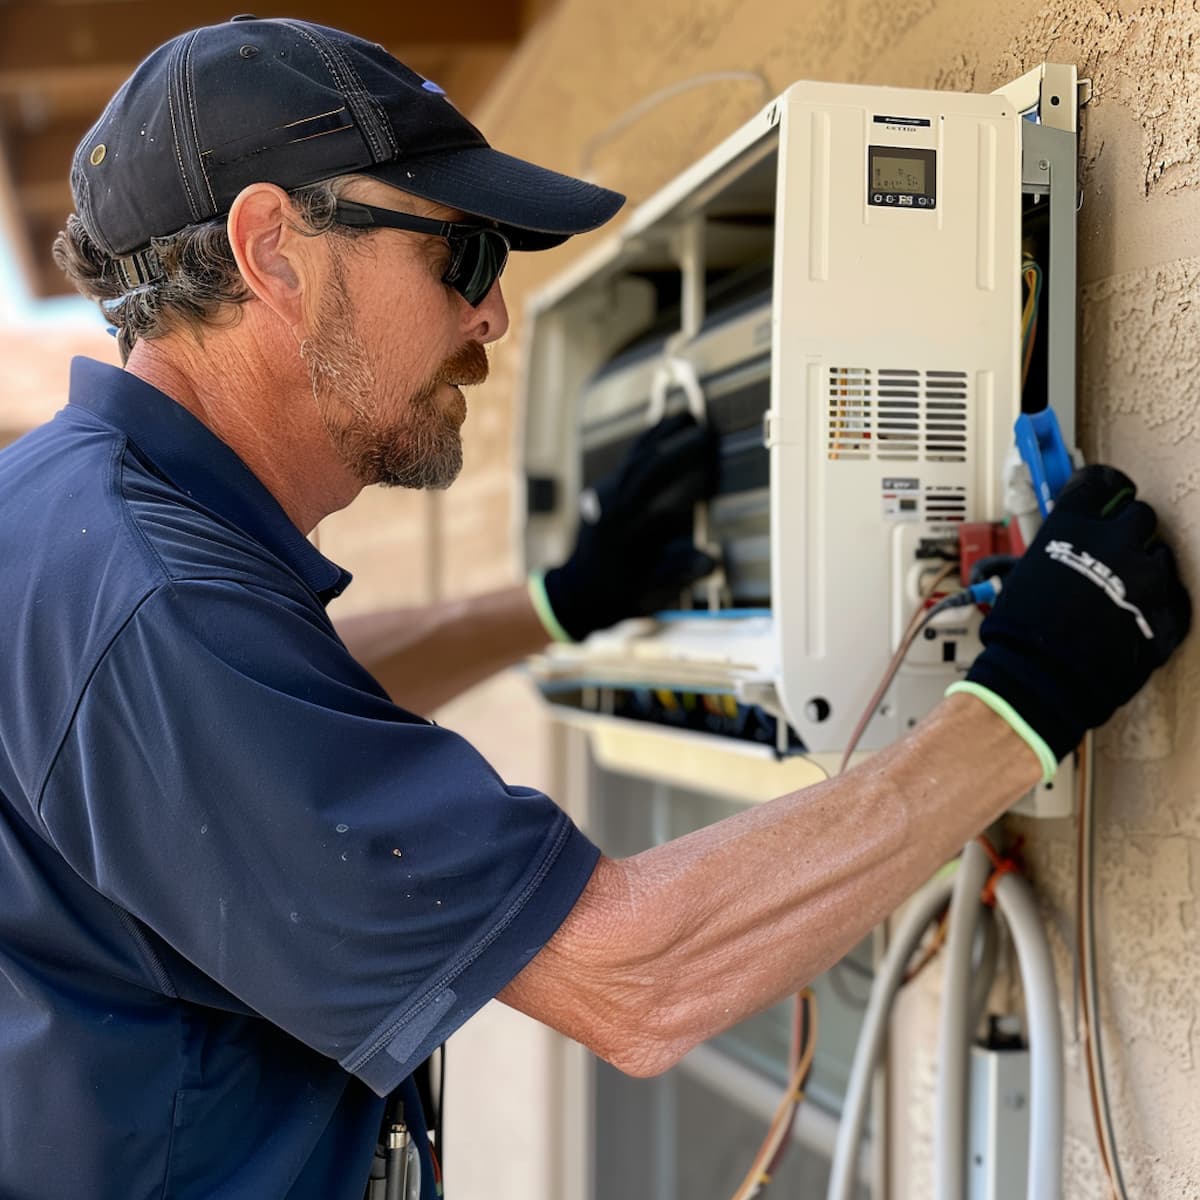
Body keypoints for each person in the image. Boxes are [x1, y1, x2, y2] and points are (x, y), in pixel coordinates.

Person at [0, 16, 1188, 1200]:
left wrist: (566, 603)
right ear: (274, 250)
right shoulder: (155, 606)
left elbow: (284, 707)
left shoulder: (82, 522)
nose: (491, 318)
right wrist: (1022, 704)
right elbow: (637, 977)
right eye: (464, 256)